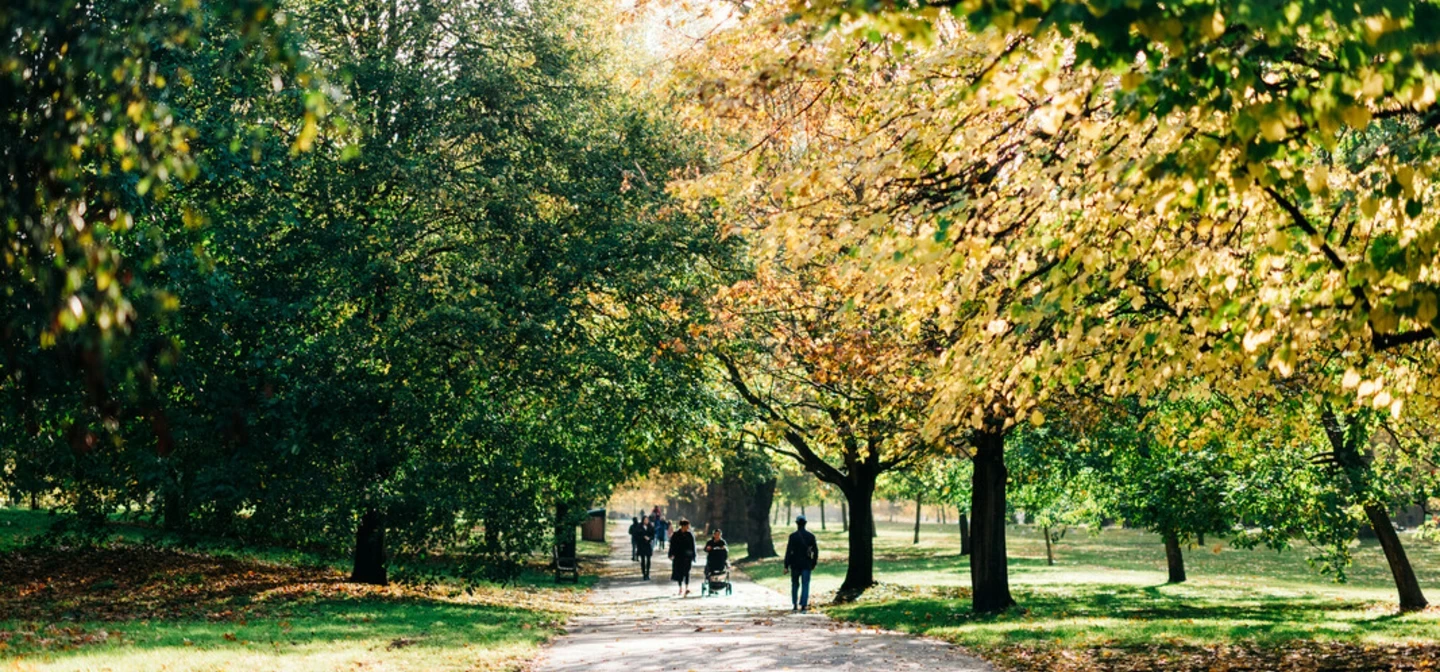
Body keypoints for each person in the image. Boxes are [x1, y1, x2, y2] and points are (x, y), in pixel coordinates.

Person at [783, 513, 819, 611]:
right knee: (805, 584)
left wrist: (786, 565)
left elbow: (788, 551)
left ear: (797, 523)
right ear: (805, 523)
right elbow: (815, 551)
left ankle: (794, 604)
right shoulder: (811, 536)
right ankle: (803, 604)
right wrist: (814, 563)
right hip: (806, 564)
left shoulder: (793, 536)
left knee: (795, 584)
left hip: (794, 564)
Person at [667, 518, 697, 596]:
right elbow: (672, 545)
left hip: (687, 557)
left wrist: (693, 555)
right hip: (678, 556)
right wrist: (670, 554)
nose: (688, 527)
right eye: (687, 526)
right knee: (679, 572)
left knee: (687, 572)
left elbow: (693, 546)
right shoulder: (676, 534)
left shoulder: (689, 534)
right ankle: (680, 588)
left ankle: (686, 588)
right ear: (683, 526)